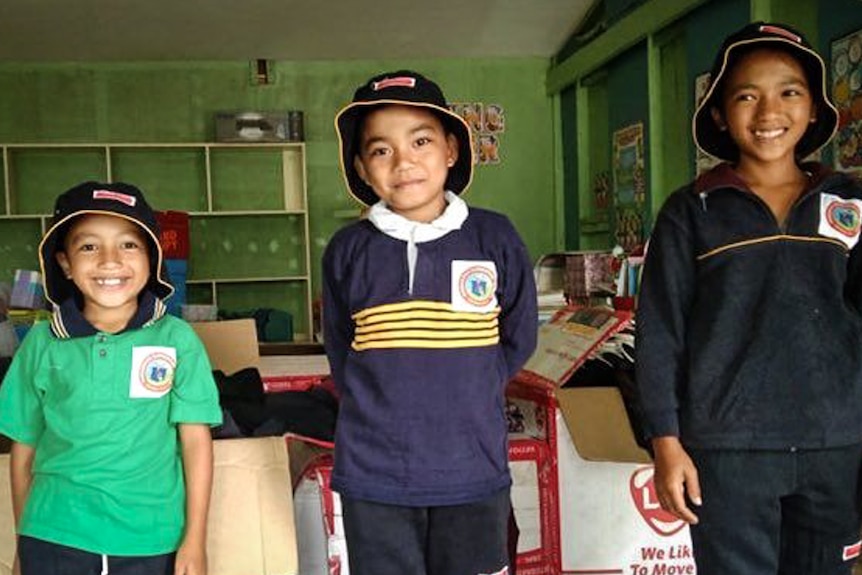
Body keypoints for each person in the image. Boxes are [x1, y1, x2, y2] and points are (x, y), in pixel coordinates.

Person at [636, 21, 862, 575]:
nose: (768, 112)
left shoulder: (850, 202)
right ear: (718, 114)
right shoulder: (693, 210)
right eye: (745, 96)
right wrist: (666, 441)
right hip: (727, 450)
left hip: (836, 442)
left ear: (813, 110)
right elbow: (660, 331)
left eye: (789, 92)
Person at [323, 70, 538, 575]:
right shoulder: (348, 250)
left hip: (473, 469)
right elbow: (340, 347)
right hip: (375, 477)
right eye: (381, 150)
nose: (404, 161)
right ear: (361, 166)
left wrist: (466, 385)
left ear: (451, 150)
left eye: (420, 141)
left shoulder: (493, 236)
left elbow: (519, 334)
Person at [0, 181, 223, 575]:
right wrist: (23, 541)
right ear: (65, 263)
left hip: (151, 538)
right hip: (55, 535)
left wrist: (195, 539)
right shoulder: (42, 342)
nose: (109, 260)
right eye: (88, 246)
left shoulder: (177, 340)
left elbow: (195, 443)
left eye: (129, 244)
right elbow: (23, 453)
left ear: (152, 257)